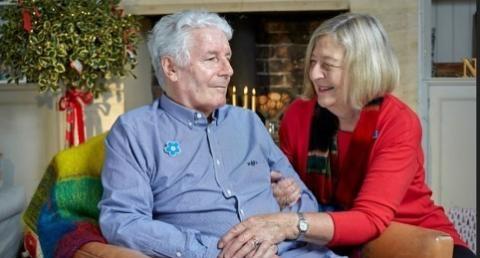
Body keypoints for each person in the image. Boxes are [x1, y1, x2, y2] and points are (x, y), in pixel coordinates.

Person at [218, 13, 475, 258]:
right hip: (332, 243)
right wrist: (276, 191)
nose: (314, 74)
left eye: (327, 65)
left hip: (415, 240)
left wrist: (289, 223)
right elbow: (283, 180)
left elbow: (370, 218)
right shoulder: (297, 115)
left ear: (362, 68)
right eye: (313, 62)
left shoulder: (397, 122)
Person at [98, 10, 342, 258]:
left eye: (227, 57)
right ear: (171, 68)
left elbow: (306, 202)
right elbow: (122, 221)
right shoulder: (134, 132)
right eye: (212, 59)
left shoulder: (248, 122)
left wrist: (280, 218)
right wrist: (217, 252)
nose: (228, 70)